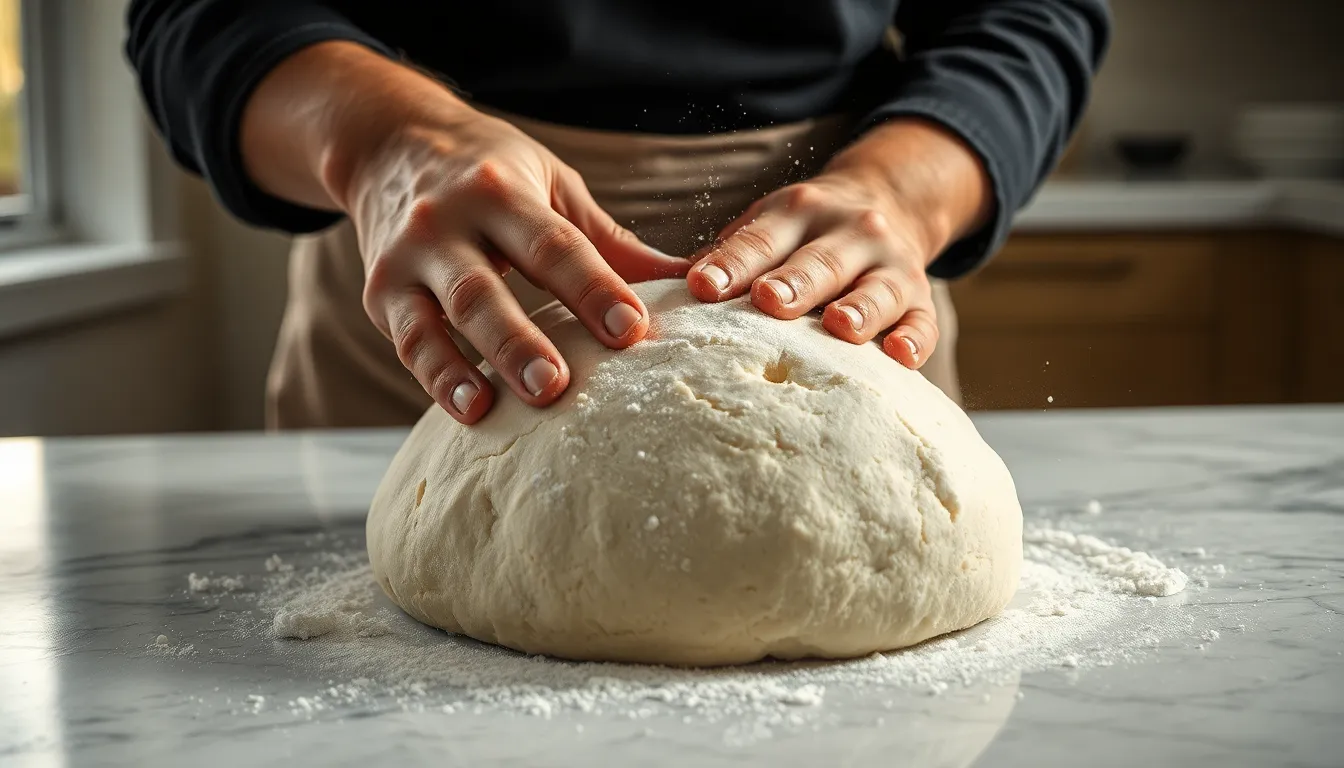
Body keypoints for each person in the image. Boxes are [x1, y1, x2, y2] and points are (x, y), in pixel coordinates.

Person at [126, 1, 1109, 429]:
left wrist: (900, 188)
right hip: (442, 290)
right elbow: (200, 10)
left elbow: (1027, 9)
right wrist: (386, 145)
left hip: (833, 279)